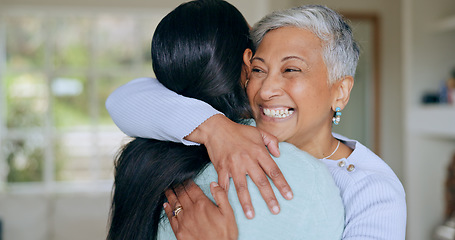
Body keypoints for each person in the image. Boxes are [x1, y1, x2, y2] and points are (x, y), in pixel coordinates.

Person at [107, 4, 407, 239]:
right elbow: (127, 97)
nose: (266, 90)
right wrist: (216, 129)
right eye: (259, 70)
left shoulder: (371, 188)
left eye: (291, 70)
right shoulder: (225, 133)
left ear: (340, 92)